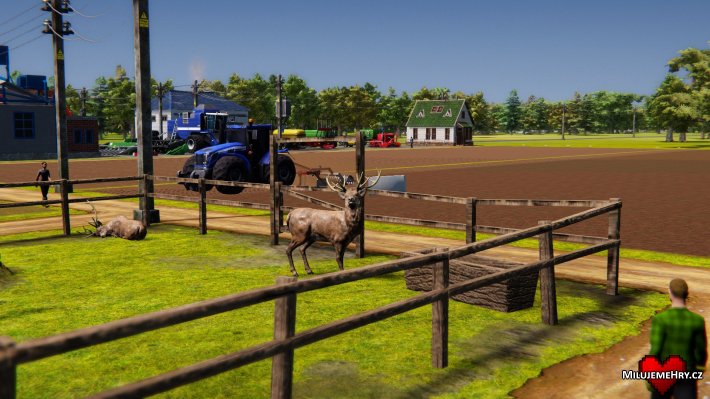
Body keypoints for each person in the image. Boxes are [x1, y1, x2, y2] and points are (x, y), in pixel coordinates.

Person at [649, 278, 707, 399]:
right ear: (687, 294)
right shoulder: (697, 321)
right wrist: (699, 368)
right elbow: (701, 351)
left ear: (670, 293)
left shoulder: (660, 319)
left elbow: (655, 350)